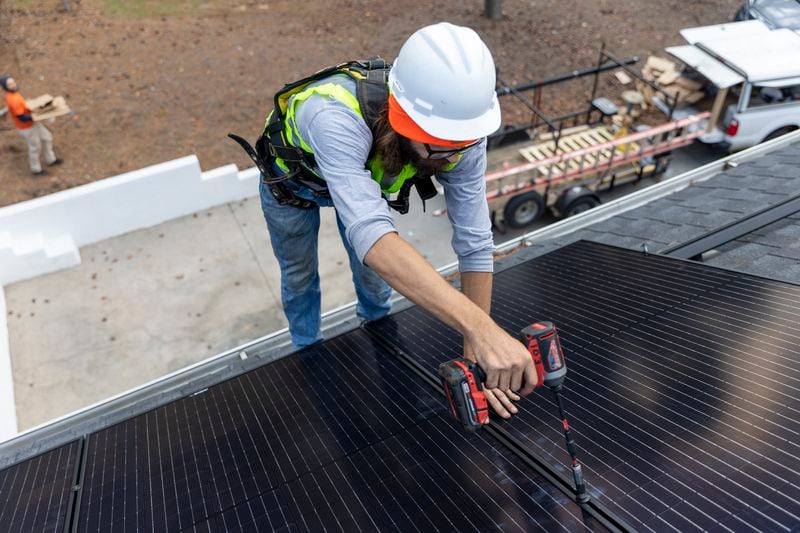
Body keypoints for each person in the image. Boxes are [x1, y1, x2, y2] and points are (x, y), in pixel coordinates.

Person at [248, 22, 537, 419]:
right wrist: (480, 328)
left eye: (462, 145)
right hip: (291, 189)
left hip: (358, 182)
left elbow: (474, 238)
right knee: (299, 275)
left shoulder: (464, 132)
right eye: (439, 145)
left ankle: (378, 332)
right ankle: (308, 349)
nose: (452, 158)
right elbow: (369, 232)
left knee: (374, 278)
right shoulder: (332, 114)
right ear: (401, 118)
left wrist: (478, 344)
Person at [1, 75, 61, 175]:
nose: (13, 85)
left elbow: (23, 107)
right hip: (26, 127)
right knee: (35, 147)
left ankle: (51, 159)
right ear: (5, 87)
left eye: (13, 82)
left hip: (33, 123)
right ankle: (36, 169)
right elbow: (22, 118)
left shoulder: (14, 94)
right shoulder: (13, 99)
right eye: (9, 84)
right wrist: (40, 114)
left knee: (47, 138)